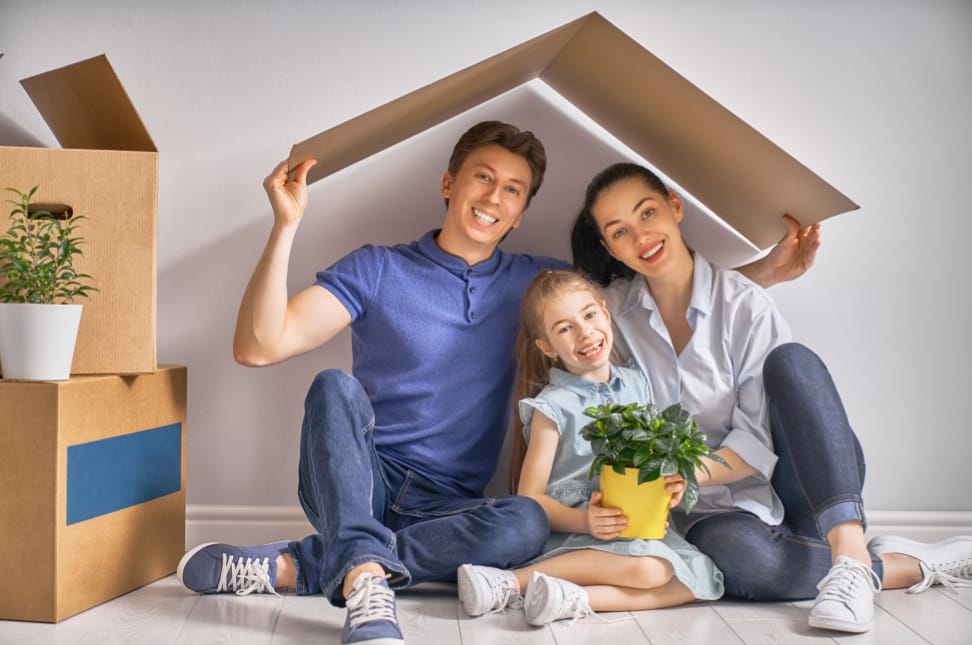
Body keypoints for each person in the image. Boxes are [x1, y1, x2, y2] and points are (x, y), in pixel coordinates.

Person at [175, 121, 815, 645]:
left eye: (513, 190)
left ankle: (314, 565)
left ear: (520, 214)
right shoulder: (377, 267)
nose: (494, 197)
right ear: (450, 183)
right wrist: (285, 226)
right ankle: (363, 575)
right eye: (483, 177)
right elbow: (258, 348)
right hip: (361, 476)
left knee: (525, 525)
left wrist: (762, 274)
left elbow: (642, 294)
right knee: (332, 386)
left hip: (450, 503)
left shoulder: (536, 286)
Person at [570, 161, 972, 634]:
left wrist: (686, 470)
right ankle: (890, 564)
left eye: (647, 213)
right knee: (739, 561)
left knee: (793, 361)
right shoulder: (609, 315)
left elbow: (756, 441)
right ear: (607, 247)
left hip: (802, 480)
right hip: (713, 512)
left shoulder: (746, 304)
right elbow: (556, 311)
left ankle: (848, 551)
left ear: (675, 207)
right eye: (619, 232)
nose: (640, 237)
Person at [456, 269, 723, 626]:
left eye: (589, 315)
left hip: (632, 525)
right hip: (576, 530)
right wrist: (585, 520)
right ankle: (508, 584)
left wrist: (669, 487)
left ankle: (569, 598)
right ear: (547, 347)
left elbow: (652, 462)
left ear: (605, 313)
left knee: (698, 580)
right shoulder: (553, 407)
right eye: (565, 328)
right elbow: (530, 499)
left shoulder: (636, 383)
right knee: (652, 571)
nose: (585, 333)